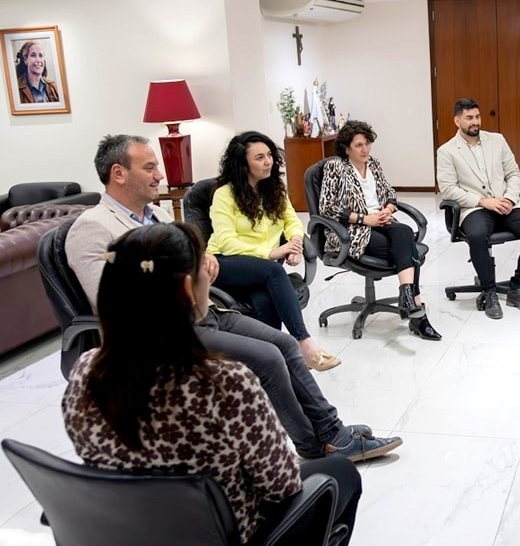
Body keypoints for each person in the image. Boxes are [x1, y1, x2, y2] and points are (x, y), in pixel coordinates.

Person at [66, 134, 402, 462]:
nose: (160, 176)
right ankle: (316, 446)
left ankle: (330, 431)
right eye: (150, 168)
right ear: (119, 173)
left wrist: (202, 262)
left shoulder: (159, 216)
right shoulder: (93, 228)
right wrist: (183, 278)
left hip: (208, 309)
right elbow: (111, 301)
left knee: (285, 344)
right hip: (169, 330)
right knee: (269, 357)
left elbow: (186, 259)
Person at [62, 222, 360, 546]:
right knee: (341, 474)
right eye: (202, 267)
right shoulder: (228, 384)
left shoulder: (84, 373)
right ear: (188, 290)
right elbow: (281, 487)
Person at [207, 131, 339, 372]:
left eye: (269, 155)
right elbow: (226, 242)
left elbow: (292, 221)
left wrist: (295, 242)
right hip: (224, 262)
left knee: (265, 298)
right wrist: (272, 254)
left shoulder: (274, 190)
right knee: (273, 271)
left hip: (260, 269)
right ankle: (304, 344)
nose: (268, 161)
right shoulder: (224, 195)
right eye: (259, 157)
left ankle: (272, 361)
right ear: (242, 164)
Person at [318, 120, 441, 340]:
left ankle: (407, 296)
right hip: (352, 230)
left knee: (404, 232)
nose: (365, 149)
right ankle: (417, 313)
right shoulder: (335, 167)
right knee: (408, 249)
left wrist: (388, 209)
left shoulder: (373, 163)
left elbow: (389, 193)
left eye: (367, 143)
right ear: (346, 148)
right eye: (359, 145)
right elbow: (327, 208)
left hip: (382, 221)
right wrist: (365, 219)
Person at [436, 97, 520, 319]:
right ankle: (489, 292)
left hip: (506, 203)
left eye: (477, 117)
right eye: (469, 118)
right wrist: (482, 201)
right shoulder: (447, 151)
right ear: (457, 121)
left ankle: (517, 287)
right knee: (477, 236)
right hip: (475, 208)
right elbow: (448, 189)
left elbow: (513, 174)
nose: (475, 122)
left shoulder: (497, 140)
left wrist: (509, 198)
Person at [16, 40, 60, 104]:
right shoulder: (16, 88)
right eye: (33, 55)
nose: (38, 60)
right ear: (25, 60)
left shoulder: (53, 86)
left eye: (40, 55)